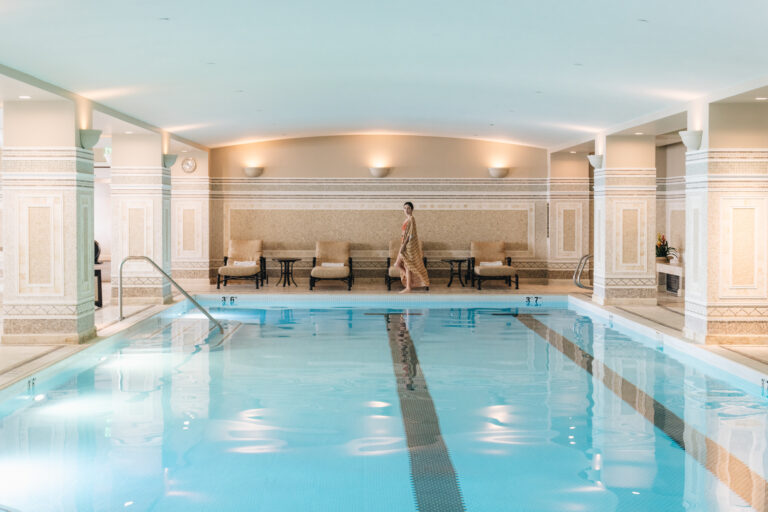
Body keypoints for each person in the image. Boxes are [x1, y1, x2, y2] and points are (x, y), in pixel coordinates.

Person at [394, 201, 430, 293]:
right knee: (397, 265)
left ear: (412, 209)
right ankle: (410, 280)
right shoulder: (406, 220)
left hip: (408, 246)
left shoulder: (411, 219)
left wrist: (404, 246)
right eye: (404, 208)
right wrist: (402, 245)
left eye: (408, 208)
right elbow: (404, 234)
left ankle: (408, 287)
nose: (406, 210)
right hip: (403, 245)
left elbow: (410, 235)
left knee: (408, 266)